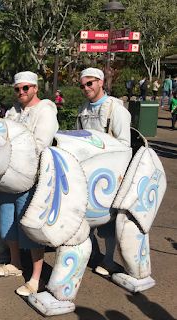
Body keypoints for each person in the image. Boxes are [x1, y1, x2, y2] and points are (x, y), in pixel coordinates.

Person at [0, 71, 59, 297]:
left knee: (29, 226)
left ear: (35, 88)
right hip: (8, 177)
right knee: (8, 219)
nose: (21, 92)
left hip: (31, 177)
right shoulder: (13, 111)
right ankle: (15, 264)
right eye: (17, 89)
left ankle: (36, 277)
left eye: (25, 88)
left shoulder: (45, 111)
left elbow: (40, 144)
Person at [76, 67, 131, 274]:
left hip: (109, 173)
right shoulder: (83, 109)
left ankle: (108, 259)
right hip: (86, 173)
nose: (86, 88)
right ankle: (94, 254)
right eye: (82, 85)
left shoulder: (115, 109)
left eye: (90, 83)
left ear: (100, 82)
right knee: (84, 216)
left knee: (108, 219)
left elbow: (125, 144)